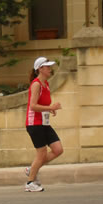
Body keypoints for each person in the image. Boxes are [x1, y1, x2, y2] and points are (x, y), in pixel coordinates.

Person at [24, 56, 63, 192]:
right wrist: (51, 107)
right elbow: (33, 106)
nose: (50, 69)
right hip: (34, 123)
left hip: (44, 123)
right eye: (47, 67)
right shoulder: (36, 84)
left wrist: (50, 109)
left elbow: (43, 104)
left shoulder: (46, 84)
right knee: (41, 154)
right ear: (40, 69)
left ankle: (32, 169)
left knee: (58, 149)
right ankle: (29, 183)